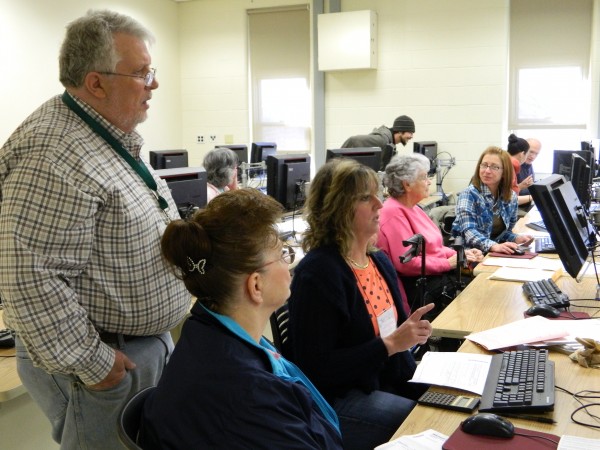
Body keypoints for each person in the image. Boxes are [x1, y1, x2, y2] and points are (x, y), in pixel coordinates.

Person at [0, 10, 191, 449]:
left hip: (136, 348)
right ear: (96, 83)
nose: (154, 83)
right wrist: (95, 364)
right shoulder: (55, 155)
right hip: (105, 364)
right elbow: (30, 278)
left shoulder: (104, 134)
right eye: (141, 73)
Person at [139, 189, 342, 449]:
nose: (288, 263)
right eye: (282, 254)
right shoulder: (252, 395)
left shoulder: (204, 331)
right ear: (256, 285)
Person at [286, 158, 433, 450]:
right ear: (338, 208)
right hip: (339, 398)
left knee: (449, 405)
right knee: (424, 421)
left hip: (382, 379)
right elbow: (314, 368)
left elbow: (396, 346)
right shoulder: (318, 273)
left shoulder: (377, 260)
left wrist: (412, 350)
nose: (380, 205)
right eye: (366, 198)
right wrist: (389, 345)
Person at [377, 154, 483, 314]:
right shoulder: (393, 212)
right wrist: (448, 263)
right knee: (474, 290)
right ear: (407, 184)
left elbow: (436, 248)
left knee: (477, 276)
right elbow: (407, 264)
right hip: (414, 284)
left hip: (431, 274)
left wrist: (461, 254)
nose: (429, 182)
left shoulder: (414, 208)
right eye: (424, 177)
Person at [452, 146, 533, 254]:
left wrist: (516, 238)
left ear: (504, 172)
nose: (487, 171)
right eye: (484, 165)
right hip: (470, 254)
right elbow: (469, 232)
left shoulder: (511, 197)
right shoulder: (469, 194)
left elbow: (504, 233)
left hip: (492, 252)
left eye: (495, 167)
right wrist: (494, 246)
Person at [341, 115, 416, 170]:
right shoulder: (381, 140)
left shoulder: (390, 143)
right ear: (400, 131)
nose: (411, 136)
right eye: (410, 132)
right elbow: (353, 140)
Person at [506, 133, 533, 209]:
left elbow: (507, 192)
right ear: (522, 154)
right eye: (527, 155)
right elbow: (509, 200)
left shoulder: (506, 164)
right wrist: (533, 197)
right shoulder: (510, 168)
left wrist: (520, 186)